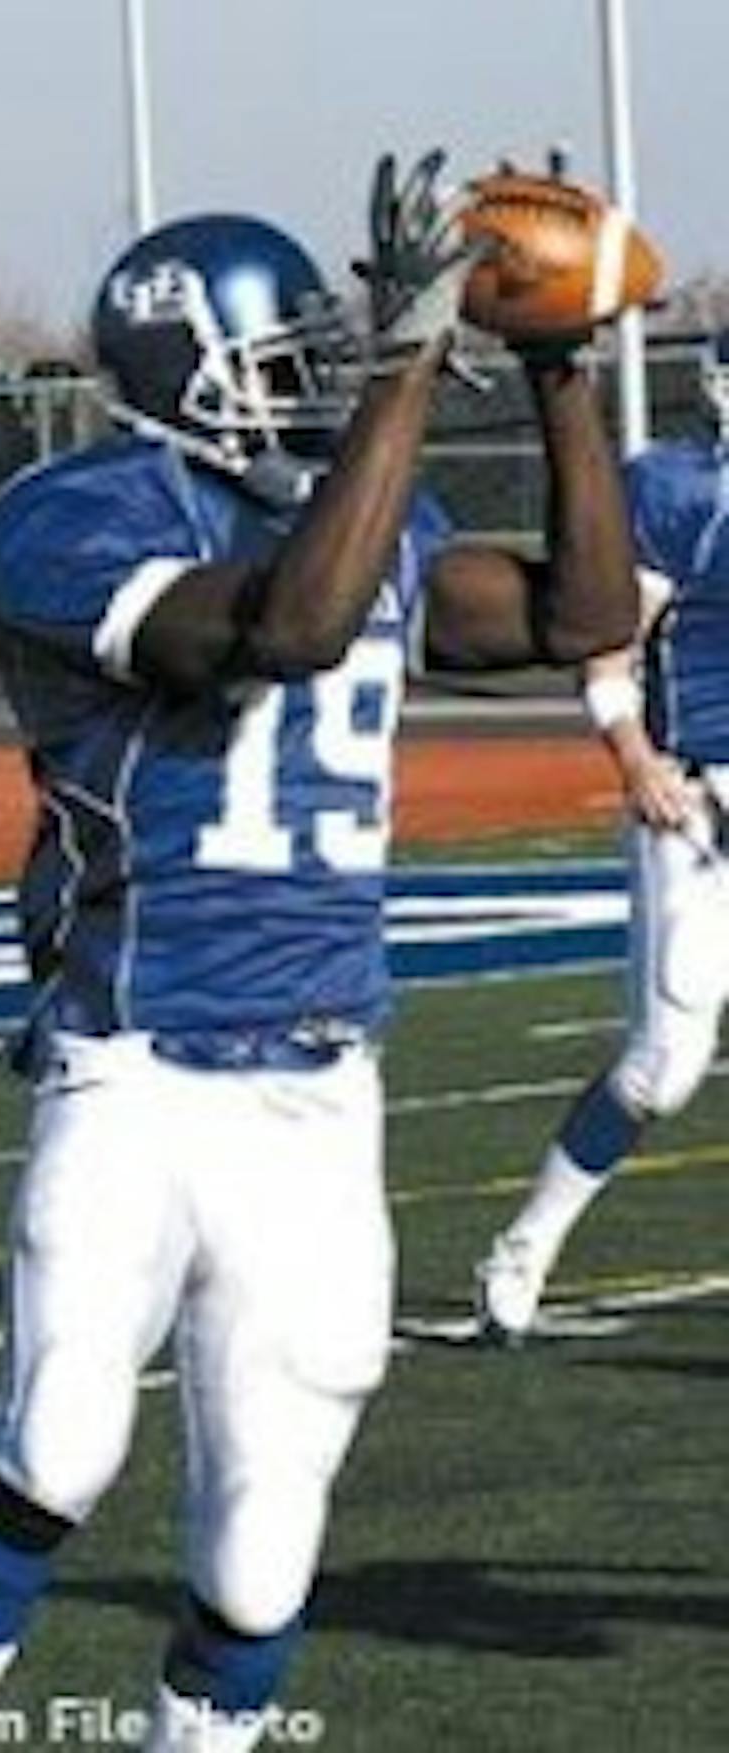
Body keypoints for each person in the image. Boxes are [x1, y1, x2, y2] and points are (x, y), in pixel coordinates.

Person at [0, 152, 637, 1753]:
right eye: (282, 363)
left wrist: (559, 372)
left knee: (266, 1544)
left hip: (319, 1090)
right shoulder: (70, 519)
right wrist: (411, 373)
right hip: (137, 1067)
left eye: (329, 358)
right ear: (185, 372)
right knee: (60, 1444)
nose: (317, 389)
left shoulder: (364, 516)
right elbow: (288, 627)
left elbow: (580, 618)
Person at [475, 330, 729, 1343]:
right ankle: (524, 1247)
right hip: (698, 796)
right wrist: (633, 758)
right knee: (663, 1065)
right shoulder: (678, 491)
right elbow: (608, 643)